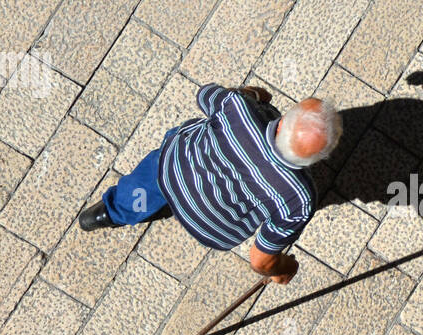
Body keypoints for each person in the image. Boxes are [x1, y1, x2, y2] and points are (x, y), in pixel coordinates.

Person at [78, 83, 340, 285]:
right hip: (211, 228)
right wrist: (283, 269)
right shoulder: (299, 198)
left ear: (283, 122)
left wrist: (252, 94)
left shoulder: (239, 108)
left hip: (175, 170)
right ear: (320, 158)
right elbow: (260, 260)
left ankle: (109, 213)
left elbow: (204, 94)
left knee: (154, 173)